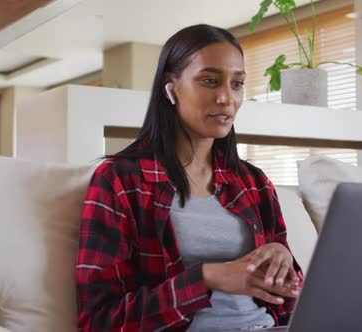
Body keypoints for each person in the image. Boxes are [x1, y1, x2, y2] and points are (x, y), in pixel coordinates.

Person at [76, 24, 302, 332]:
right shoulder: (119, 181)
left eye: (237, 84)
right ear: (171, 87)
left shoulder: (254, 183)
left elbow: (288, 304)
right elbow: (100, 320)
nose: (226, 98)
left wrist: (284, 262)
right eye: (210, 81)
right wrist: (205, 277)